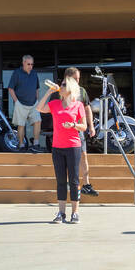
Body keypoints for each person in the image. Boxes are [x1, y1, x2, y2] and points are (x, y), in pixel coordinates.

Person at [37, 74, 88, 224]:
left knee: (73, 180)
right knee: (60, 181)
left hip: (73, 147)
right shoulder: (55, 104)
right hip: (57, 147)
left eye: (64, 84)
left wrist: (73, 125)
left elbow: (84, 127)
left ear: (71, 88)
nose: (61, 86)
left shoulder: (78, 105)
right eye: (62, 84)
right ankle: (61, 213)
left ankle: (75, 213)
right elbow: (39, 108)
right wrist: (49, 92)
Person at [63, 67, 98, 196]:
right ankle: (66, 182)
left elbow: (87, 109)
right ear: (68, 78)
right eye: (75, 78)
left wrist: (91, 126)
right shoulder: (61, 91)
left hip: (79, 129)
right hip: (65, 130)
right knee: (66, 157)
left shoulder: (82, 91)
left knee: (83, 156)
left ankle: (87, 185)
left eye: (79, 78)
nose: (78, 81)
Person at [7, 55, 43, 152]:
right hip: (20, 104)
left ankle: (36, 143)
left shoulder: (34, 74)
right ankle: (21, 144)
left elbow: (37, 88)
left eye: (32, 64)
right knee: (21, 125)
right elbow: (10, 89)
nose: (30, 66)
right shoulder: (17, 73)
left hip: (33, 104)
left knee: (38, 121)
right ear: (23, 63)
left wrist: (37, 100)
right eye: (28, 64)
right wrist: (16, 102)